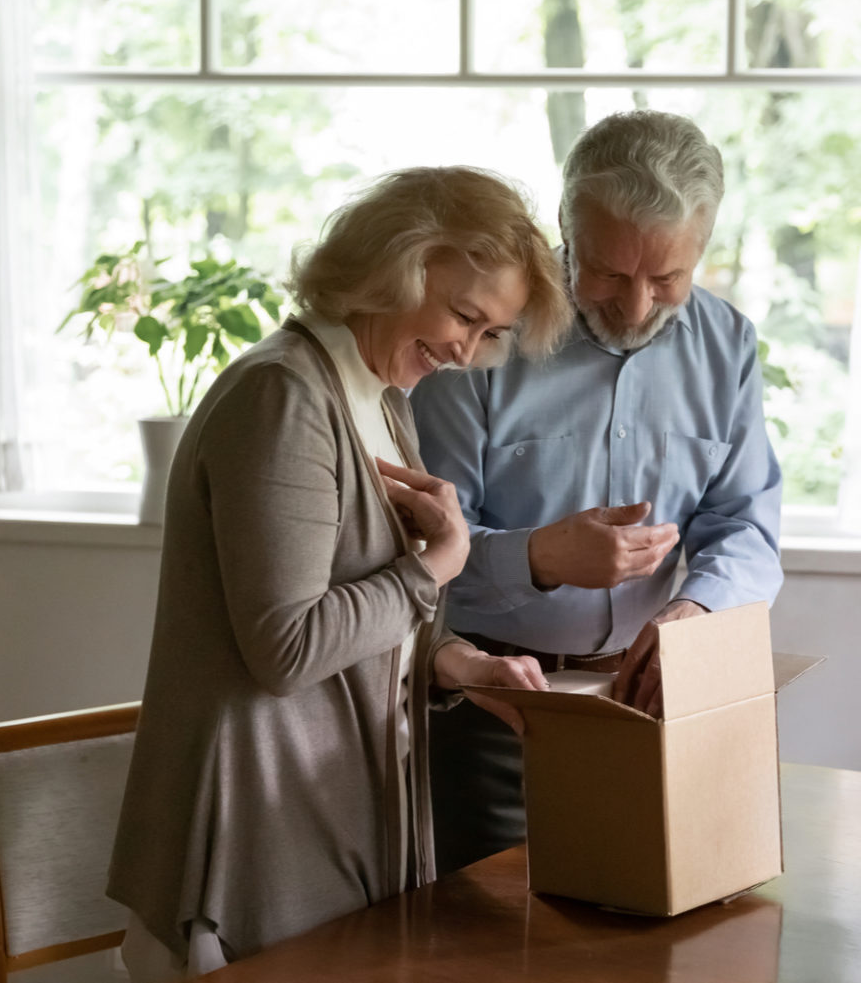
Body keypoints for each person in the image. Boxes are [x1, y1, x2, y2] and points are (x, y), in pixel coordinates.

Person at [106, 166, 572, 979]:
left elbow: (368, 623)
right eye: (464, 315)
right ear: (397, 264)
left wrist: (459, 662)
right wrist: (439, 566)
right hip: (254, 843)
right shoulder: (282, 397)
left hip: (325, 826)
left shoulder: (382, 402)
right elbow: (288, 646)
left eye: (491, 331)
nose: (466, 351)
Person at [409, 110, 784, 875]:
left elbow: (746, 523)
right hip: (494, 706)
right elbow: (416, 553)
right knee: (487, 931)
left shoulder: (729, 347)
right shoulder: (479, 340)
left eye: (667, 278)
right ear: (565, 229)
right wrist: (540, 557)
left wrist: (696, 610)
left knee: (654, 918)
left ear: (702, 248)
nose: (637, 305)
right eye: (609, 273)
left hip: (651, 702)